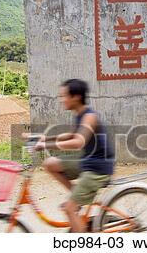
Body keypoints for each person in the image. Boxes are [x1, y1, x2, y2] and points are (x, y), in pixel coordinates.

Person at [34, 79, 115, 232]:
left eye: (64, 96)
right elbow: (71, 135)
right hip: (88, 161)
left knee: (69, 209)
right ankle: (77, 197)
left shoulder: (89, 116)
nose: (61, 99)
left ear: (76, 97)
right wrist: (46, 139)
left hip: (98, 168)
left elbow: (78, 141)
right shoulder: (80, 114)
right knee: (50, 163)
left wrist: (46, 145)